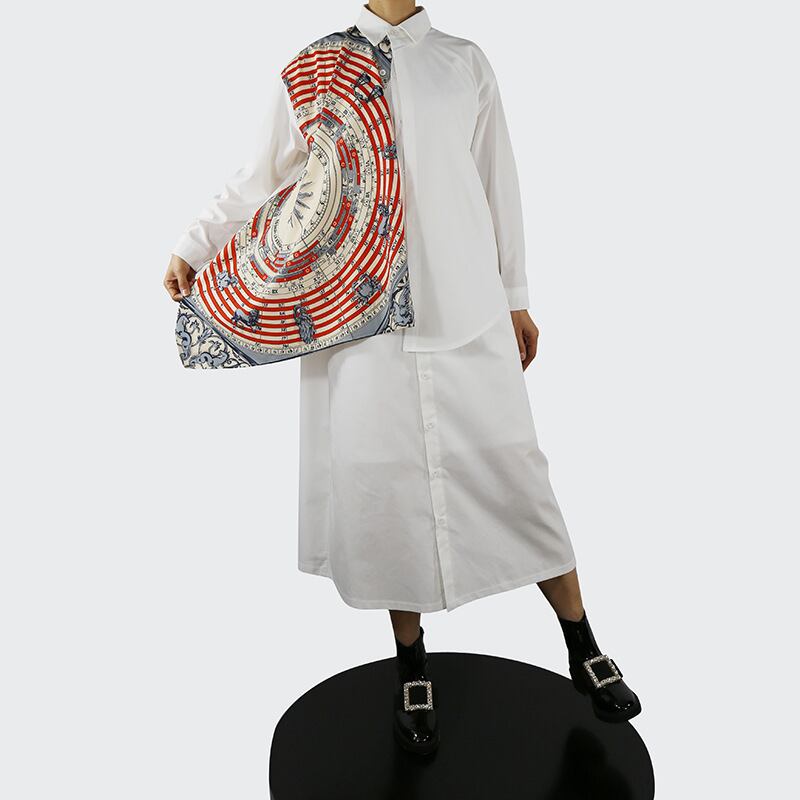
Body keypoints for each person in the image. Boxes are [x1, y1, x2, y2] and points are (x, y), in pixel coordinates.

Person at [164, 1, 641, 755]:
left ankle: (582, 643)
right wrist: (196, 245)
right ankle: (412, 665)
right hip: (362, 322)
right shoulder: (314, 68)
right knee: (386, 499)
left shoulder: (464, 62)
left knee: (517, 475)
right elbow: (260, 177)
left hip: (467, 309)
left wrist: (515, 296)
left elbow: (498, 182)